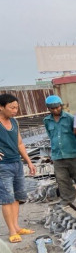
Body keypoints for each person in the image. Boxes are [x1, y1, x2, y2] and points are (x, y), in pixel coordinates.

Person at [0, 94, 37, 243]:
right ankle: (11, 231)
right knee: (6, 198)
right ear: (1, 107)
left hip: (16, 163)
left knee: (17, 197)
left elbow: (20, 143)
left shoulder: (15, 122)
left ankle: (16, 227)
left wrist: (29, 161)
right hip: (3, 166)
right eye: (11, 107)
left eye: (16, 107)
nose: (15, 110)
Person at [43, 95, 76, 205]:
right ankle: (67, 199)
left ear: (61, 106)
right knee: (62, 179)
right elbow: (51, 135)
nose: (55, 110)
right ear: (48, 109)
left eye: (57, 107)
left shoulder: (70, 118)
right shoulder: (47, 121)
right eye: (52, 108)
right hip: (57, 155)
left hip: (73, 154)